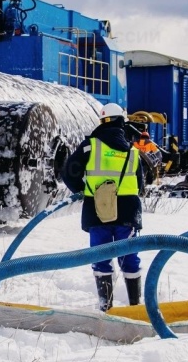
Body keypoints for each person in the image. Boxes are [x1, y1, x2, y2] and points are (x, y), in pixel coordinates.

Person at [61, 103, 144, 310]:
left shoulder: (90, 146)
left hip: (98, 211)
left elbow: (69, 172)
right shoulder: (132, 151)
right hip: (127, 212)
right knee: (129, 257)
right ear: (122, 122)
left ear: (102, 121)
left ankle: (106, 306)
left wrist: (84, 190)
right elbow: (141, 186)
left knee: (100, 256)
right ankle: (135, 306)